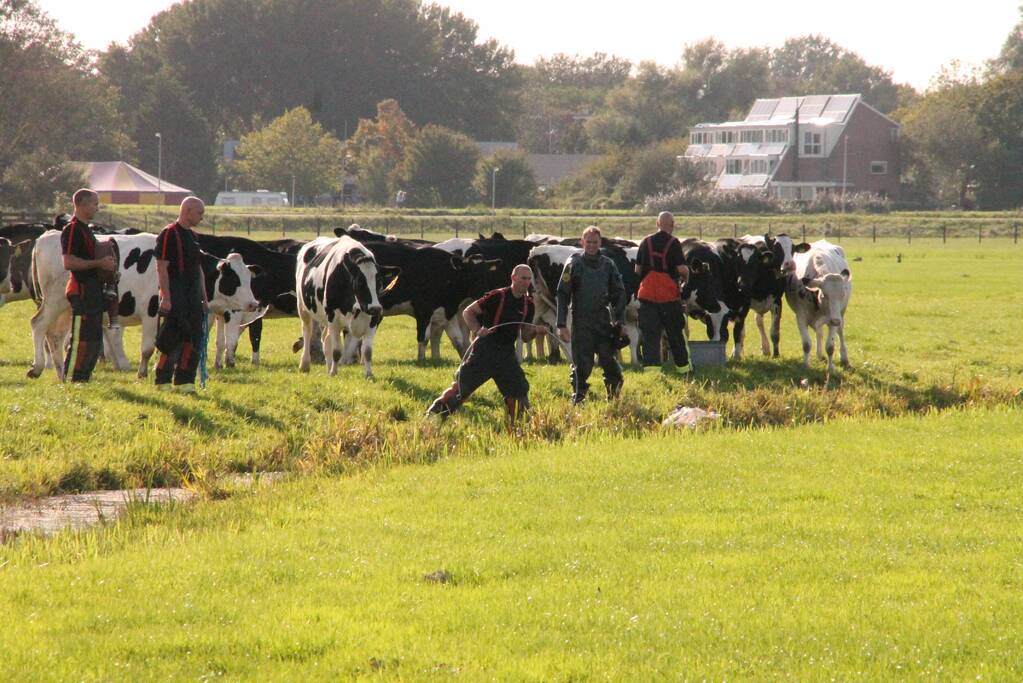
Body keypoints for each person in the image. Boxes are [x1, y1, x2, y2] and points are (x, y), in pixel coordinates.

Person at [427, 264, 537, 421]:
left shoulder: (529, 305)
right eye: (522, 278)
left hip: (506, 355)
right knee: (461, 390)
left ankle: (518, 429)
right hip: (485, 351)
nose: (526, 282)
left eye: (528, 279)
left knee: (519, 391)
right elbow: (468, 312)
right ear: (513, 278)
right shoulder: (497, 296)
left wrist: (537, 331)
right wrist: (478, 329)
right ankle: (431, 419)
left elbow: (525, 336)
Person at [556, 226, 627, 404]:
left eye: (595, 242)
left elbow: (619, 293)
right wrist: (561, 324)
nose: (592, 245)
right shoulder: (573, 264)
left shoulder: (608, 265)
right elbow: (562, 294)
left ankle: (614, 400)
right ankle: (578, 400)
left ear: (600, 243)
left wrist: (620, 322)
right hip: (581, 322)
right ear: (582, 242)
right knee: (582, 365)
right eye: (588, 242)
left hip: (603, 321)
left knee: (609, 361)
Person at [60, 188, 117, 382]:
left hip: (94, 292)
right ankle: (70, 379)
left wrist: (108, 271)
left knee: (94, 339)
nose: (97, 208)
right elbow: (68, 262)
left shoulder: (87, 230)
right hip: (80, 291)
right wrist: (99, 264)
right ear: (82, 204)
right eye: (94, 203)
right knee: (80, 339)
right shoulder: (72, 229)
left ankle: (84, 377)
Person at [154, 196, 210, 393]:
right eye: (200, 213)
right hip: (176, 296)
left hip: (193, 297)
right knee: (172, 338)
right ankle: (162, 381)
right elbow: (161, 266)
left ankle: (185, 382)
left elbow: (199, 269)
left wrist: (204, 297)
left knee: (194, 338)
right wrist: (166, 297)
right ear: (187, 211)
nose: (202, 218)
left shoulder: (194, 237)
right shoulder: (169, 233)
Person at [635, 211, 691, 372]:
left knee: (650, 336)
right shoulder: (674, 243)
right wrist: (686, 279)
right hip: (668, 297)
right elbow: (681, 269)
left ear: (657, 224)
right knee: (675, 335)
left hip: (647, 296)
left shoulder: (645, 242)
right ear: (672, 226)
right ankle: (684, 369)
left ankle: (652, 372)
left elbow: (637, 270)